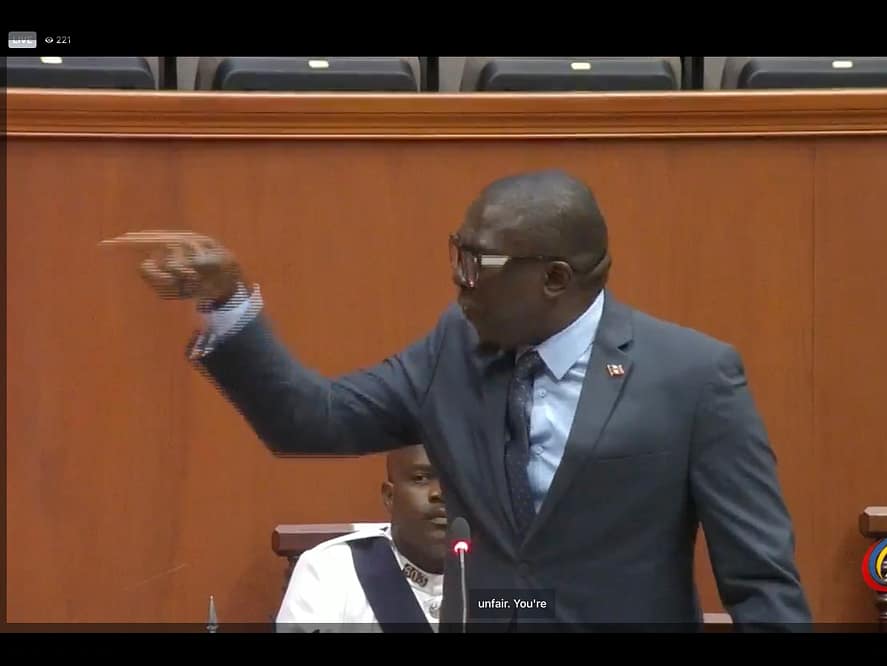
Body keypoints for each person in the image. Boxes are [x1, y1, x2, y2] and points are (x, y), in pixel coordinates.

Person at [104, 169, 812, 632]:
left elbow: (761, 584)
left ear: (555, 279)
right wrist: (228, 303)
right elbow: (311, 419)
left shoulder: (692, 377)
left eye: (478, 263)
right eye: (457, 254)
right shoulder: (454, 349)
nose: (459, 281)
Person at [276, 444, 446, 633]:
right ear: (389, 496)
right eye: (421, 478)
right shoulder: (331, 570)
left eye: (455, 480)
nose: (440, 493)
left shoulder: (475, 574)